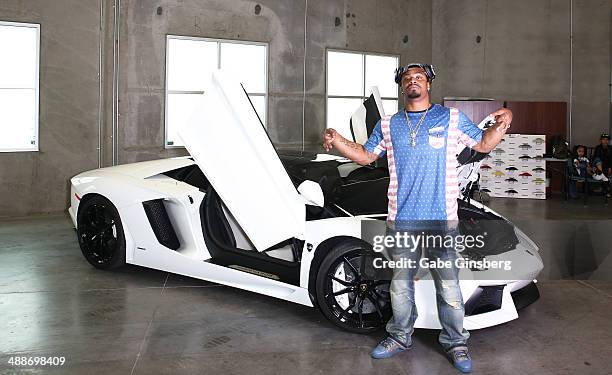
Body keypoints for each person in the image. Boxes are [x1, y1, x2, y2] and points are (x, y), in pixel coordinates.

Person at [322, 63, 512, 373]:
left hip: (442, 219)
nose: (413, 81)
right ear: (401, 87)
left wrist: (506, 121)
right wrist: (339, 139)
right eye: (408, 78)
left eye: (419, 77)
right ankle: (399, 337)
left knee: (449, 287)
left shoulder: (449, 118)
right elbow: (367, 154)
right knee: (400, 285)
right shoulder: (388, 124)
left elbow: (482, 143)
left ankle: (456, 343)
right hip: (403, 219)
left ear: (428, 85)